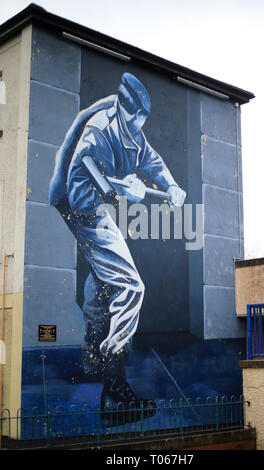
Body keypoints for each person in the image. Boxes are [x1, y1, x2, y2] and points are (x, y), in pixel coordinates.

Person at [49, 73, 186, 423]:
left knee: (102, 285)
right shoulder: (97, 133)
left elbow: (151, 159)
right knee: (130, 286)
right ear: (131, 112)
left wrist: (170, 185)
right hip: (79, 206)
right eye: (140, 119)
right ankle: (114, 390)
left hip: (92, 203)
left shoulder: (128, 129)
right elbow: (85, 183)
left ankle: (94, 364)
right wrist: (123, 190)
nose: (142, 126)